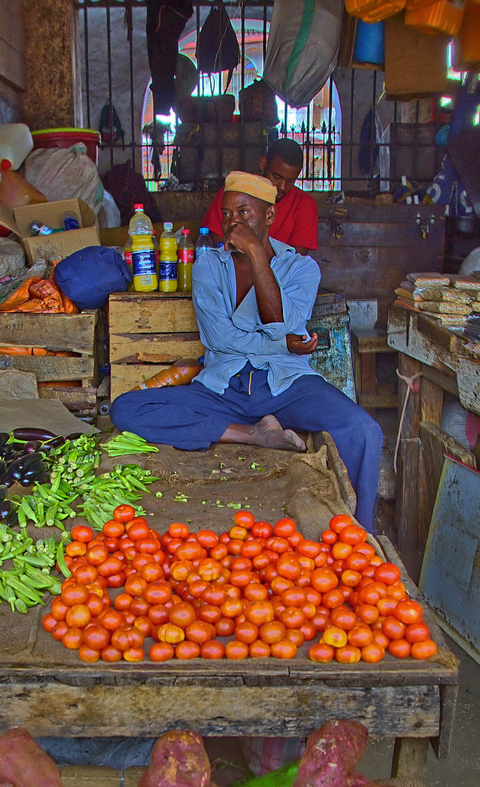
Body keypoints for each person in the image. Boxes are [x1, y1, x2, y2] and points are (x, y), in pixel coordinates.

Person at [111, 171, 382, 531]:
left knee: (364, 431)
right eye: (226, 214)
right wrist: (278, 343)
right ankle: (253, 433)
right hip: (224, 387)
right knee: (126, 408)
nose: (232, 222)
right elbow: (220, 340)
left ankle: (360, 536)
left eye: (243, 213)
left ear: (269, 216)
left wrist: (257, 253)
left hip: (287, 385)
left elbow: (280, 322)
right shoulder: (208, 265)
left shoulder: (301, 268)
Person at [202, 137, 318, 256]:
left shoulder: (304, 204)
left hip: (278, 275)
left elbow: (294, 261)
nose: (282, 187)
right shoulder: (233, 194)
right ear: (263, 164)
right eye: (277, 177)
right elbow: (218, 247)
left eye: (291, 181)